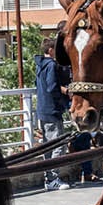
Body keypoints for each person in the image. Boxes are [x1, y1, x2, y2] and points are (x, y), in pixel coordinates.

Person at [34, 35, 71, 191]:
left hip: (42, 109)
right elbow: (52, 87)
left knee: (48, 146)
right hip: (52, 110)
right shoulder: (52, 66)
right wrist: (63, 102)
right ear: (51, 50)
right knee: (58, 146)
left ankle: (50, 178)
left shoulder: (40, 65)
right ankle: (52, 179)